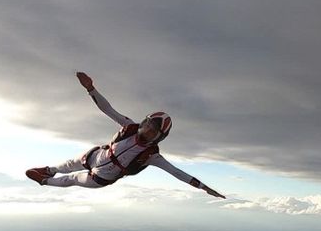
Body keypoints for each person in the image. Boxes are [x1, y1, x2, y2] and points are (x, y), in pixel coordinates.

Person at [25, 72, 226, 199]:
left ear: (158, 137)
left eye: (152, 131)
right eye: (147, 126)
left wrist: (204, 188)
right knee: (69, 164)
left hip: (101, 176)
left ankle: (43, 180)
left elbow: (177, 173)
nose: (146, 131)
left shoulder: (152, 156)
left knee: (73, 178)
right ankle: (48, 170)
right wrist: (91, 89)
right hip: (97, 155)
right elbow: (108, 109)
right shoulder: (129, 126)